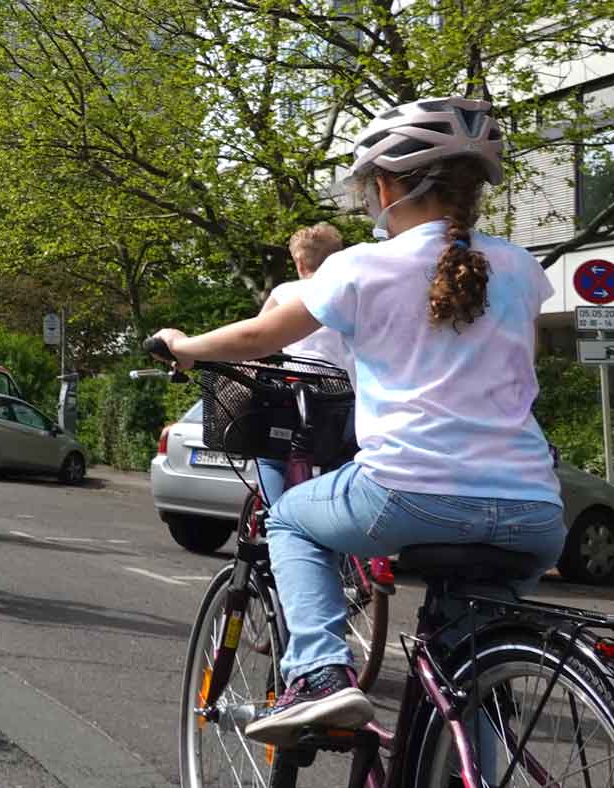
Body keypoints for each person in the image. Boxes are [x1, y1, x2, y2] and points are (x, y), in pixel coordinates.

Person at [147, 96, 565, 744]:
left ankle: (318, 674)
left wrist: (183, 344)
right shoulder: (520, 267)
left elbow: (260, 337)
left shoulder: (362, 266)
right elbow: (520, 377)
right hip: (535, 512)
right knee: (469, 668)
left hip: (408, 490)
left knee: (288, 519)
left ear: (385, 186)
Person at [255, 223, 352, 505]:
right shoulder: (349, 292)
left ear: (298, 260)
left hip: (294, 399)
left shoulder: (285, 292)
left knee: (271, 457)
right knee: (343, 456)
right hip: (344, 397)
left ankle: (277, 518)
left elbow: (259, 339)